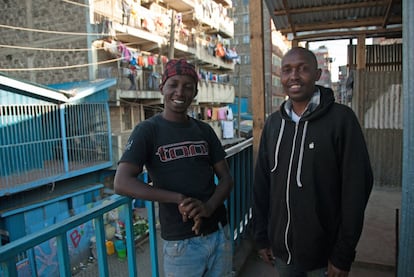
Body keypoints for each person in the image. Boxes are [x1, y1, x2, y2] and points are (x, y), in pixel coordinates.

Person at [252, 47, 373, 277]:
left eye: (303, 69)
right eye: (287, 70)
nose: (294, 76)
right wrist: (260, 237)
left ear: (317, 75)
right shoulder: (273, 124)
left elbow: (356, 190)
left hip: (325, 256)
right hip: (282, 255)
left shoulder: (341, 120)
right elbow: (262, 185)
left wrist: (343, 254)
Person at [114, 59, 234, 277]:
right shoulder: (147, 131)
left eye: (188, 86)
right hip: (182, 243)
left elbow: (226, 178)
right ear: (162, 88)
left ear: (195, 92)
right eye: (174, 84)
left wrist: (208, 207)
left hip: (219, 232)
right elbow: (121, 182)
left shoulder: (204, 130)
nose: (180, 92)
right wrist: (178, 198)